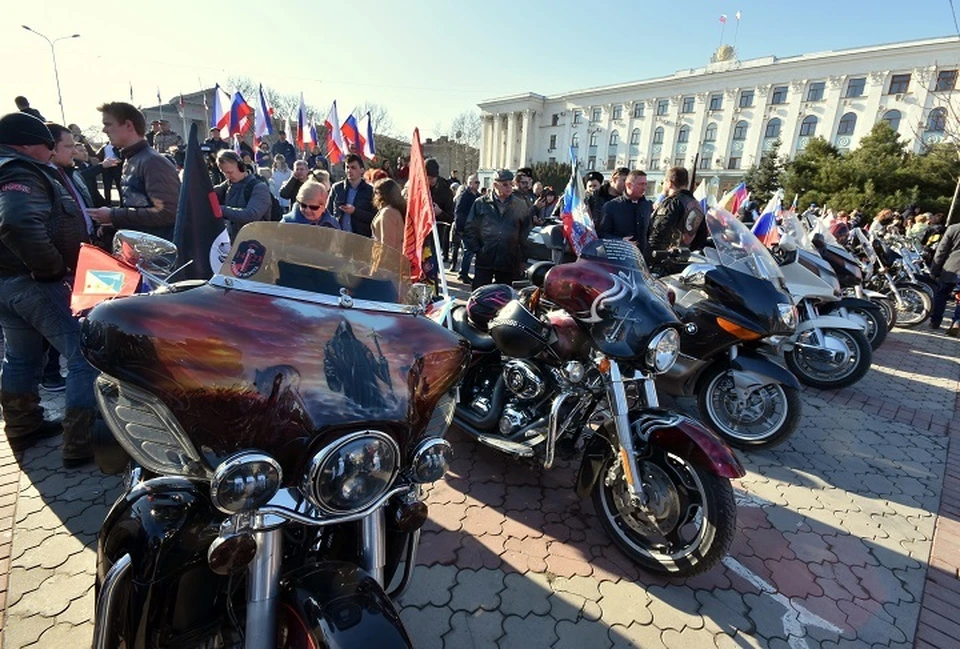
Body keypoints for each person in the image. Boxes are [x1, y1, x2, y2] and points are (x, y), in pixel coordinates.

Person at [0, 113, 98, 464]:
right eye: (47, 144)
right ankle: (83, 442)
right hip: (33, 281)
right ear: (27, 144)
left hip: (9, 282)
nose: (51, 151)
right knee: (85, 352)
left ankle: (23, 424)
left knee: (21, 356)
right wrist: (51, 269)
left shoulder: (10, 167)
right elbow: (18, 222)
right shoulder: (18, 170)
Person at [88, 102, 181, 241]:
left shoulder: (152, 162)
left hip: (159, 254)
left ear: (128, 125)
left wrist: (113, 215)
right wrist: (115, 223)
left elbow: (168, 213)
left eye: (108, 124)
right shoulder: (132, 158)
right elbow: (137, 205)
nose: (104, 130)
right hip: (145, 247)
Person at [463, 168, 534, 289]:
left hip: (508, 260)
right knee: (479, 295)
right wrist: (479, 249)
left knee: (504, 298)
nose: (509, 187)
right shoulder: (481, 203)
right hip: (485, 259)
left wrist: (523, 258)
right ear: (495, 185)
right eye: (505, 184)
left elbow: (526, 233)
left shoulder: (519, 205)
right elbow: (470, 229)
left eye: (511, 184)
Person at [648, 166, 706, 263]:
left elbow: (659, 232)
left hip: (665, 260)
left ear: (670, 183)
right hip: (685, 259)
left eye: (664, 182)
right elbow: (701, 236)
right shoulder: (696, 205)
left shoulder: (673, 202)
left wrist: (650, 257)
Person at [214, 150, 272, 239]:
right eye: (224, 173)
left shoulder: (259, 187)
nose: (227, 176)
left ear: (241, 167)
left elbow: (251, 215)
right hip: (235, 241)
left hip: (256, 243)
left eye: (230, 172)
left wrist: (220, 210)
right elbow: (211, 192)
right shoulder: (228, 185)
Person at [598, 170, 652, 251]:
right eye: (640, 184)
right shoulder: (611, 206)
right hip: (619, 257)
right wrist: (620, 241)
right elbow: (602, 234)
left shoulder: (647, 205)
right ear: (629, 185)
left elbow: (649, 232)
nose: (644, 188)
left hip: (641, 258)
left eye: (645, 184)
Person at [327, 154, 376, 236]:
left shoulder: (370, 191)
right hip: (338, 236)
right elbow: (328, 212)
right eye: (347, 167)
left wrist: (355, 211)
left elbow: (374, 217)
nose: (349, 170)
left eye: (353, 167)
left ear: (362, 170)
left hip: (360, 238)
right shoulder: (337, 188)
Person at [929, 221, 960, 334]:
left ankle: (935, 321)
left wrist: (935, 268)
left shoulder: (953, 228)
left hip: (951, 267)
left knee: (941, 294)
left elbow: (942, 250)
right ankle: (957, 322)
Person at [425, 158, 455, 261]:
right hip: (421, 233)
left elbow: (451, 218)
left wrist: (440, 212)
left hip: (437, 235)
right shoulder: (419, 187)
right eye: (428, 178)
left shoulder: (445, 190)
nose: (431, 181)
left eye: (433, 177)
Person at [454, 173, 481, 282]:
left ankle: (464, 272)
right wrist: (459, 228)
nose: (478, 184)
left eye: (478, 182)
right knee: (468, 251)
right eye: (476, 182)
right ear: (470, 183)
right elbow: (459, 212)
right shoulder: (465, 195)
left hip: (475, 229)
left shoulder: (478, 196)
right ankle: (463, 273)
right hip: (466, 227)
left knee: (471, 251)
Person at [371, 178, 405, 251]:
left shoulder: (387, 213)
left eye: (376, 193)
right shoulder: (394, 210)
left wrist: (382, 261)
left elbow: (387, 244)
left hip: (390, 259)